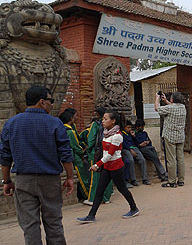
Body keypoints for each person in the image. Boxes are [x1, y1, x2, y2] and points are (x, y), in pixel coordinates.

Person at [0, 85, 74, 244]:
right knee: (53, 222)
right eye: (50, 100)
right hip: (50, 181)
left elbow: (5, 157)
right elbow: (66, 154)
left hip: (23, 181)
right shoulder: (55, 123)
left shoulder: (11, 123)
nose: (52, 104)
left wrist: (6, 181)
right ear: (42, 102)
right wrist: (69, 177)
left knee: (29, 225)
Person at [77, 110, 139, 223]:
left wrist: (97, 165)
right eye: (103, 119)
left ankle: (134, 208)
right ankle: (91, 215)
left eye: (106, 119)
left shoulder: (117, 136)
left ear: (113, 121)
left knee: (122, 189)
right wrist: (100, 164)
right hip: (107, 166)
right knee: (99, 190)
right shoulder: (106, 132)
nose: (103, 121)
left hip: (116, 166)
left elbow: (110, 155)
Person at [80, 107, 113, 206]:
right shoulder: (112, 124)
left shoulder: (96, 124)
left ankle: (92, 198)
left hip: (96, 153)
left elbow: (91, 140)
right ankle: (106, 197)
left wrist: (88, 149)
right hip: (108, 151)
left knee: (95, 176)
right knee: (107, 174)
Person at [155, 91, 187, 188]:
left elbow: (157, 109)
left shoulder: (170, 108)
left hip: (170, 136)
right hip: (180, 136)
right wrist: (166, 100)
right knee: (180, 158)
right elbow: (174, 107)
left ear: (172, 99)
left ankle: (172, 181)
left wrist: (157, 98)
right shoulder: (183, 108)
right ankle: (181, 180)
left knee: (171, 159)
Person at [59, 109, 90, 202]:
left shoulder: (61, 128)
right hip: (75, 157)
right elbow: (76, 146)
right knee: (82, 177)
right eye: (75, 116)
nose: (77, 118)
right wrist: (83, 151)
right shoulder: (70, 131)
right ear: (71, 118)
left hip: (65, 157)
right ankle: (87, 196)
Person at [121, 120, 149, 186]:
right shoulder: (122, 134)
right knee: (131, 161)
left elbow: (136, 143)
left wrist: (134, 136)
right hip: (127, 149)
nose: (130, 129)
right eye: (128, 127)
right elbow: (123, 144)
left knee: (142, 160)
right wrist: (130, 149)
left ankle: (145, 179)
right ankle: (133, 179)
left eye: (130, 127)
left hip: (134, 148)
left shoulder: (130, 134)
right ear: (124, 127)